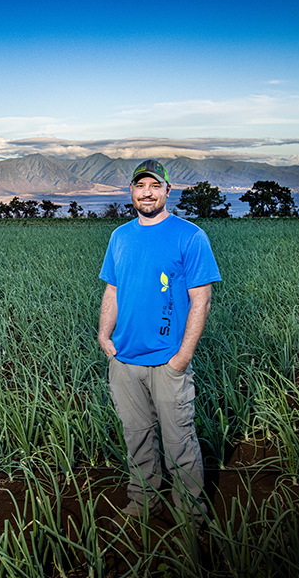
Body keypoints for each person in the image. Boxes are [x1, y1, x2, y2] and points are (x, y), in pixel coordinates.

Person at [98, 159, 221, 523]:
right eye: (140, 186)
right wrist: (104, 335)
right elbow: (112, 289)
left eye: (154, 186)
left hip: (169, 362)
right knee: (136, 439)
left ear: (168, 190)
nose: (147, 193)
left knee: (179, 443)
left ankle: (189, 514)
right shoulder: (120, 236)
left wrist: (182, 357)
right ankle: (143, 502)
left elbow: (201, 298)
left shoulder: (189, 236)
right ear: (131, 191)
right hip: (124, 360)